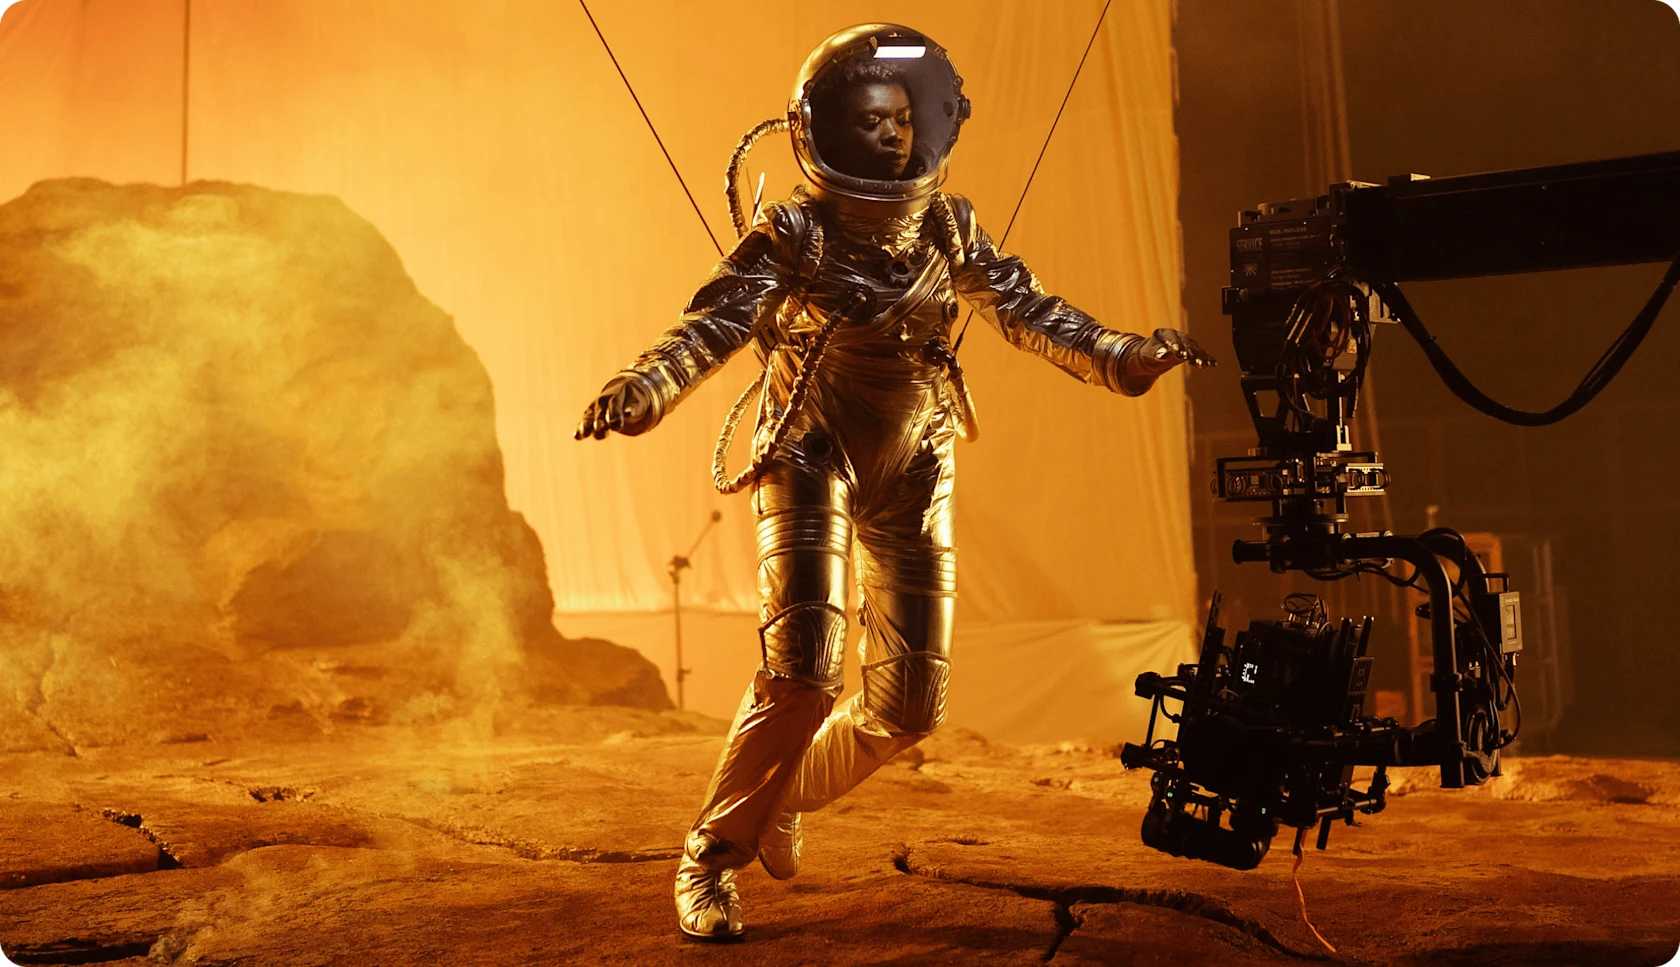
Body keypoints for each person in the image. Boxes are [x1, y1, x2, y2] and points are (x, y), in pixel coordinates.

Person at [573, 24, 1214, 943]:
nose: (892, 136)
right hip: (810, 453)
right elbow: (709, 326)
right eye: (871, 119)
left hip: (916, 461)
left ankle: (776, 794)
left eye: (903, 119)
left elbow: (1030, 310)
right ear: (825, 130)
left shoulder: (949, 228)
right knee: (803, 671)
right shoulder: (793, 232)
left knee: (909, 705)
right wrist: (645, 388)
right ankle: (709, 858)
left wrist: (1125, 355)